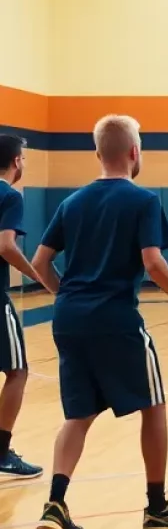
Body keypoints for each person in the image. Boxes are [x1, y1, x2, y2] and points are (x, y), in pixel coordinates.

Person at [30, 115, 168, 529]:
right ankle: (158, 506)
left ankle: (56, 502)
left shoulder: (71, 202)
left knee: (79, 415)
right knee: (155, 406)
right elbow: (152, 261)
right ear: (134, 152)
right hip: (116, 319)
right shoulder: (143, 201)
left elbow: (39, 263)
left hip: (69, 320)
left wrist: (65, 295)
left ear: (97, 153)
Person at [0, 135, 45, 479]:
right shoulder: (10, 196)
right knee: (17, 370)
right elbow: (6, 246)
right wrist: (37, 275)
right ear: (16, 161)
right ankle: (1, 452)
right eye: (25, 159)